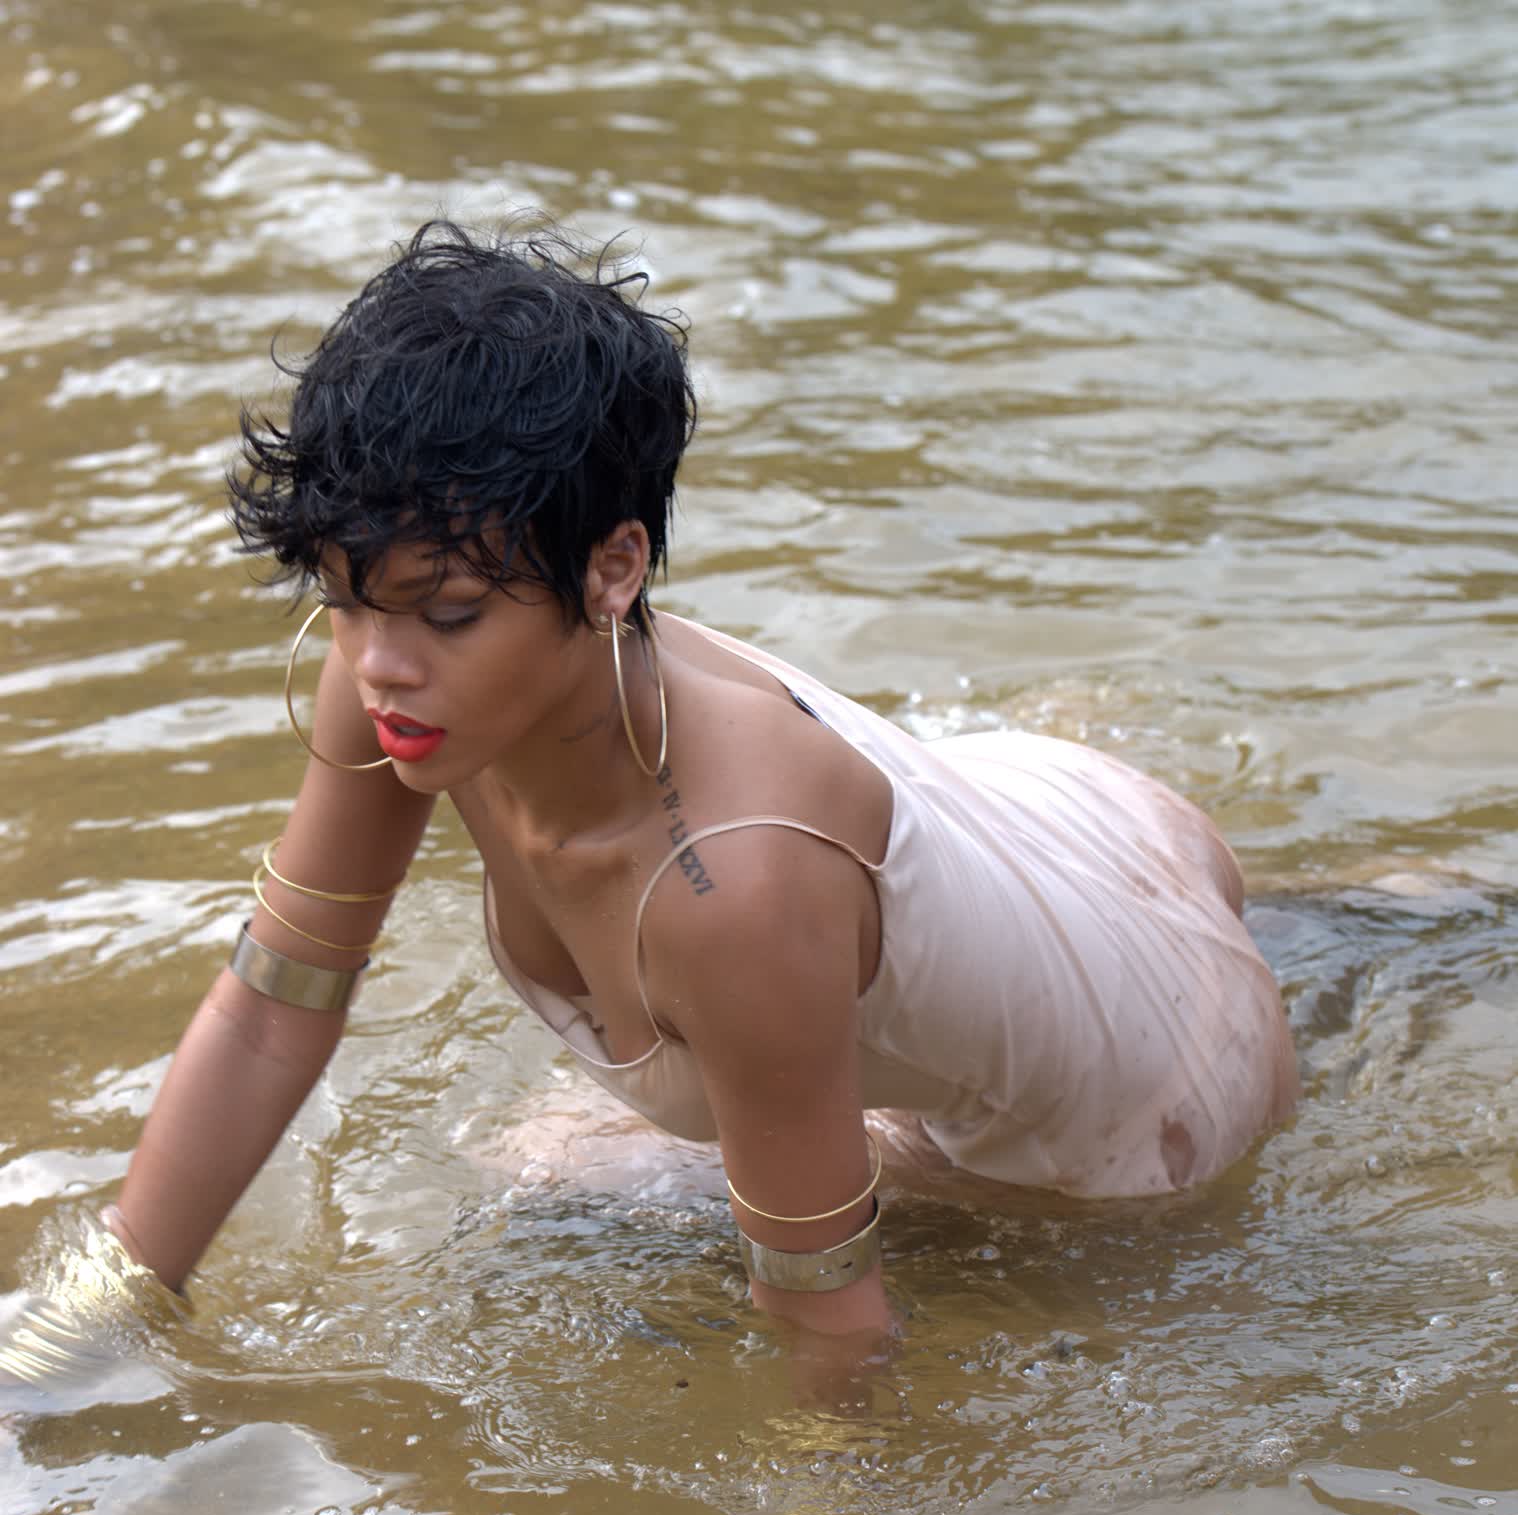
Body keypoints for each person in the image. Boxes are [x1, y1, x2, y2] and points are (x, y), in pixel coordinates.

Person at [79, 220, 1295, 1362]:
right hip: (1045, 818)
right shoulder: (401, 676)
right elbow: (271, 1009)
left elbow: (828, 1317)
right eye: (344, 597)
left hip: (1142, 1095)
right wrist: (76, 1337)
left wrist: (826, 1501)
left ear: (615, 567)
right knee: (530, 1176)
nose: (379, 661)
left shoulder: (737, 890)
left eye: (448, 613)